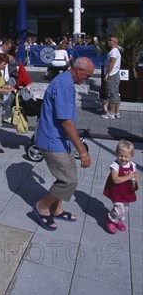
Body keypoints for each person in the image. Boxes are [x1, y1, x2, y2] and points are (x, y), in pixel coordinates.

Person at [32, 57, 95, 231]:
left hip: (62, 140)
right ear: (79, 70)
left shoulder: (66, 81)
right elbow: (66, 121)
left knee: (65, 177)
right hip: (53, 140)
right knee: (69, 180)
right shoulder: (64, 85)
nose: (87, 79)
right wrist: (82, 151)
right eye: (87, 75)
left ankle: (55, 208)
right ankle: (42, 207)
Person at [103, 140, 139, 234]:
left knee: (125, 209)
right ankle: (110, 219)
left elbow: (134, 175)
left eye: (126, 156)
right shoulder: (115, 166)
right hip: (116, 191)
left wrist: (135, 178)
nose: (123, 158)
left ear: (131, 156)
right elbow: (115, 179)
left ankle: (118, 220)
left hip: (126, 191)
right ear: (116, 153)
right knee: (119, 209)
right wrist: (128, 176)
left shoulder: (132, 165)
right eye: (120, 155)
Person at [101, 35, 121, 120]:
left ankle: (111, 113)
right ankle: (117, 112)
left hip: (112, 75)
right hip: (115, 74)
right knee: (115, 93)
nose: (108, 41)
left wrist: (107, 74)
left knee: (112, 94)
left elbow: (112, 64)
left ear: (115, 42)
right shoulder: (116, 50)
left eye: (110, 40)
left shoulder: (113, 51)